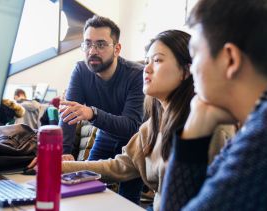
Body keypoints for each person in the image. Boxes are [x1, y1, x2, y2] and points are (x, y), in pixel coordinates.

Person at [161, 0, 267, 210]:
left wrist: (193, 132)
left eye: (194, 56)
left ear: (230, 59)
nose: (192, 69)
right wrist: (198, 125)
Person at [62, 30, 233, 211]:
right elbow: (120, 165)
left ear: (186, 70)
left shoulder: (214, 128)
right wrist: (60, 167)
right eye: (147, 60)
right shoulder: (151, 127)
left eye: (157, 60)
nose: (147, 68)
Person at [58, 15, 145, 203]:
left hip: (137, 142)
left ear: (117, 49)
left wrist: (92, 113)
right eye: (87, 44)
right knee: (85, 184)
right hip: (106, 134)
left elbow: (131, 125)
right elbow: (68, 113)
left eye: (100, 44)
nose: (92, 51)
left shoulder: (136, 74)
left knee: (128, 200)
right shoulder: (81, 71)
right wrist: (64, 151)